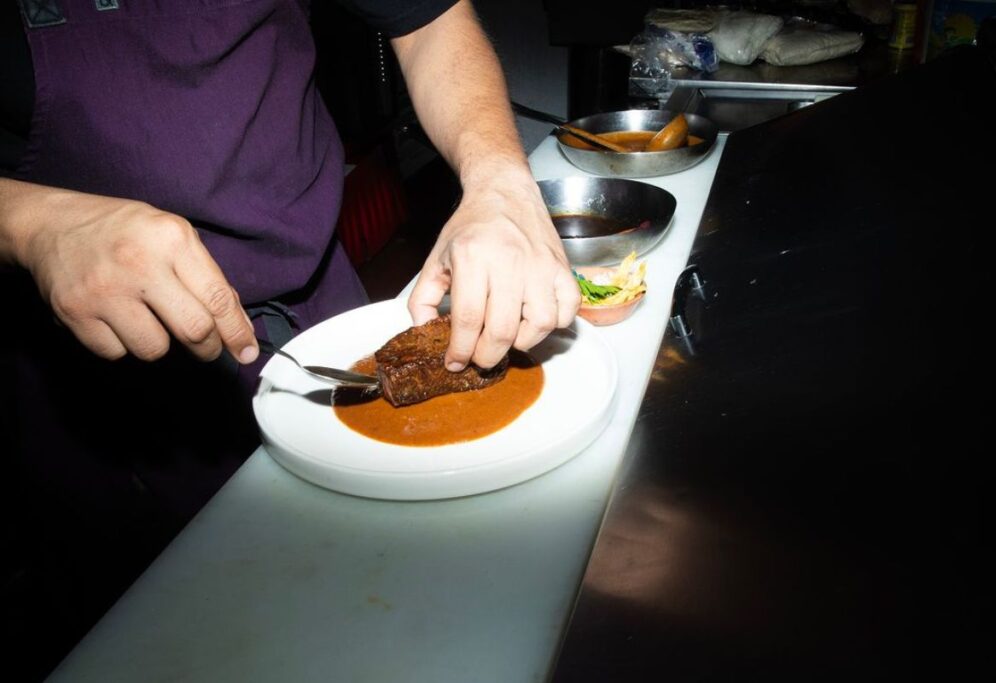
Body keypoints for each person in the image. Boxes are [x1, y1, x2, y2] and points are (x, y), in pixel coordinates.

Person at [0, 0, 578, 678]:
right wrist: (28, 221)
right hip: (90, 385)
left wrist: (499, 180)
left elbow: (428, 19)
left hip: (320, 310)